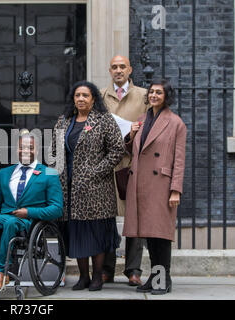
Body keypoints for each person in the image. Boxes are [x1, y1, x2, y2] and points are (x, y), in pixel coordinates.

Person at [51, 80, 125, 291]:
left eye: (85, 95)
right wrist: (55, 172)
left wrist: (96, 171)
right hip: (69, 188)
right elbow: (54, 152)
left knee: (96, 233)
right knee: (76, 233)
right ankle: (83, 277)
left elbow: (116, 151)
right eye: (77, 95)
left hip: (96, 189)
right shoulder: (64, 121)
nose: (81, 99)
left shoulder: (104, 120)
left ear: (93, 99)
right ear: (73, 99)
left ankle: (97, 277)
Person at [0, 131, 63, 289]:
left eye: (30, 147)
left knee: (10, 223)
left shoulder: (49, 173)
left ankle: (2, 274)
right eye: (22, 147)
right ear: (17, 149)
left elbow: (57, 209)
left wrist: (29, 212)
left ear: (37, 150)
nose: (26, 150)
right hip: (6, 218)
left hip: (29, 223)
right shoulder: (5, 173)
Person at [123, 79, 186, 295]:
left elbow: (179, 160)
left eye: (159, 93)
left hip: (161, 185)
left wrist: (175, 189)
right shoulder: (142, 119)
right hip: (140, 184)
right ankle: (154, 277)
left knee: (160, 235)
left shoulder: (176, 123)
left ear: (166, 96)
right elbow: (134, 150)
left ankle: (163, 280)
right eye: (151, 92)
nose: (154, 96)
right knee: (148, 234)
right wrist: (130, 135)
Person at [100, 55, 149, 286]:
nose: (118, 70)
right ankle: (106, 268)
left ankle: (133, 270)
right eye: (114, 67)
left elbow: (151, 126)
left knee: (135, 217)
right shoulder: (100, 95)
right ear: (110, 71)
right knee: (107, 217)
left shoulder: (143, 95)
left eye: (122, 67)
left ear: (130, 69)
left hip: (133, 164)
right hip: (108, 165)